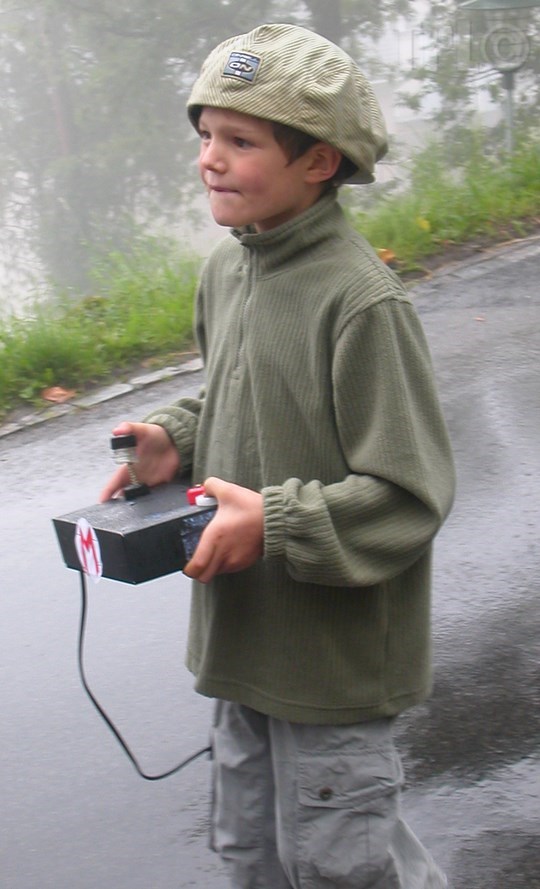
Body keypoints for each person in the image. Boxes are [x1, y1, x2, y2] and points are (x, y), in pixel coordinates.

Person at [101, 23, 455, 889]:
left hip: (330, 659)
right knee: (251, 853)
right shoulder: (228, 272)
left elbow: (411, 493)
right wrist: (173, 440)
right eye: (206, 137)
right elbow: (236, 393)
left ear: (319, 162)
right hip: (243, 641)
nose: (210, 161)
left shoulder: (361, 301)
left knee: (342, 863)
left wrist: (281, 519)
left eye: (241, 141)